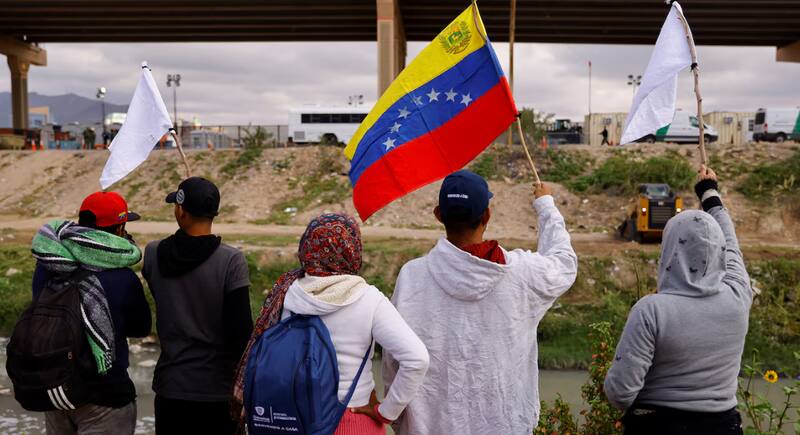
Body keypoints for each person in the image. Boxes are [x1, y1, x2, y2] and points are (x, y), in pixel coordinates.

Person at [383, 170, 578, 434]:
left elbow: (393, 360)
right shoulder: (521, 273)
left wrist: (396, 417)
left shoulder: (412, 276)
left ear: (438, 215)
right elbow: (564, 264)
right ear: (487, 216)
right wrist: (545, 205)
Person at [233, 213, 429, 434]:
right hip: (353, 419)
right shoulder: (369, 299)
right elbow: (417, 359)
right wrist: (387, 411)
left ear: (307, 248)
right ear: (352, 249)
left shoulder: (286, 294)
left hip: (290, 419)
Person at [604, 165, 751, 435]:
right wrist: (709, 193)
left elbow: (619, 394)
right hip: (724, 427)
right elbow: (732, 245)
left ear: (670, 249)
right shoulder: (738, 297)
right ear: (719, 251)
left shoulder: (652, 311)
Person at [31, 192, 151, 435]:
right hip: (106, 395)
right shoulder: (123, 278)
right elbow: (142, 327)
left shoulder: (47, 264)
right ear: (118, 229)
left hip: (57, 392)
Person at [142, 177, 253, 434]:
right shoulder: (231, 261)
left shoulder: (153, 253)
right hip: (217, 392)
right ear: (214, 212)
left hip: (171, 389)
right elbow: (242, 336)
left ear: (180, 210)